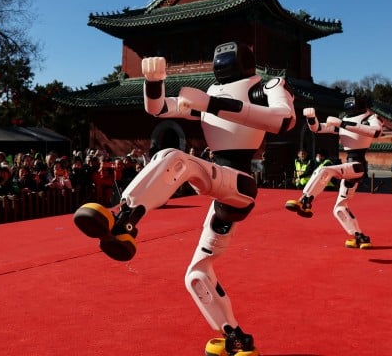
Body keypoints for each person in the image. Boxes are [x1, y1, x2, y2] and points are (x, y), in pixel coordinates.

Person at [73, 41, 296, 356]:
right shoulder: (213, 93)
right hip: (224, 195)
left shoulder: (265, 86)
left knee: (174, 157)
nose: (221, 58)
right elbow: (160, 109)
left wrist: (213, 105)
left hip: (241, 182)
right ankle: (236, 338)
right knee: (197, 274)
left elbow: (284, 119)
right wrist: (153, 83)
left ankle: (123, 219)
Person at [284, 95, 383, 249]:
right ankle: (360, 237)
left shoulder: (371, 118)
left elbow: (375, 132)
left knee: (325, 170)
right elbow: (318, 128)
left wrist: (343, 123)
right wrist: (311, 118)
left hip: (357, 165)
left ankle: (305, 201)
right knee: (340, 208)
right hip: (351, 166)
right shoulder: (345, 121)